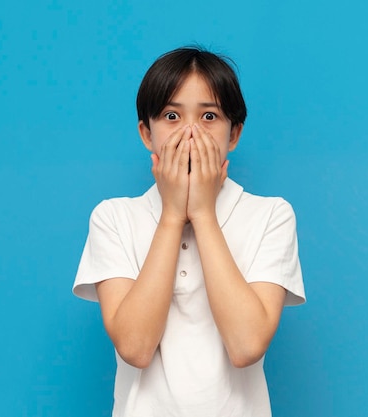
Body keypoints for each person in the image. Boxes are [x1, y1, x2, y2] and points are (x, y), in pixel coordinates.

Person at [73, 46, 306, 417]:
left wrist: (202, 213)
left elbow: (246, 346)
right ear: (147, 134)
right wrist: (171, 216)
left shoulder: (271, 215)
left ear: (234, 134)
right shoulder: (114, 217)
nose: (191, 132)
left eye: (209, 115)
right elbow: (135, 347)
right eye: (171, 115)